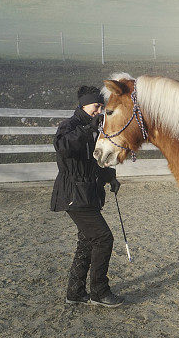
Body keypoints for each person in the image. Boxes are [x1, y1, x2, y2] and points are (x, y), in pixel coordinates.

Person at [50, 85, 124, 307]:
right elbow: (62, 147)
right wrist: (87, 129)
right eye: (96, 106)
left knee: (87, 241)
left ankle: (75, 292)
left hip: (88, 193)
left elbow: (94, 162)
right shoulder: (69, 125)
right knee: (103, 238)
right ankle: (99, 292)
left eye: (102, 106)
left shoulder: (95, 128)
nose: (99, 110)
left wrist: (110, 176)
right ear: (84, 105)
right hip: (74, 193)